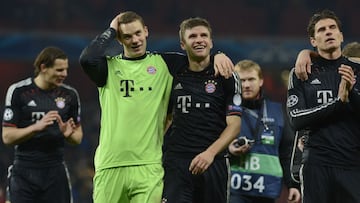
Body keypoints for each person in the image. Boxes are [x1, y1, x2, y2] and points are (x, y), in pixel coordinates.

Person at [79, 11, 234, 203]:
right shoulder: (108, 68)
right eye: (127, 36)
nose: (135, 40)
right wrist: (111, 30)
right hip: (110, 164)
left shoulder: (164, 63)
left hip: (149, 167)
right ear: (119, 39)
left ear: (146, 31)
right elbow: (87, 59)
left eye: (137, 33)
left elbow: (197, 55)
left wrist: (219, 55)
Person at [161, 17, 242, 203]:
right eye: (192, 36)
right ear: (183, 44)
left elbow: (235, 125)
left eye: (204, 35)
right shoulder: (172, 71)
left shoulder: (227, 76)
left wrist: (210, 153)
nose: (199, 40)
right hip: (177, 162)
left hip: (214, 161)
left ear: (211, 42)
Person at [286, 9, 360, 203]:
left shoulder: (357, 71)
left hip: (352, 164)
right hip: (316, 163)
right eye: (322, 30)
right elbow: (296, 119)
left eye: (332, 28)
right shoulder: (302, 72)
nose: (328, 32)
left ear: (341, 36)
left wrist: (350, 93)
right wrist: (338, 103)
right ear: (313, 41)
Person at [2, 46, 83, 203]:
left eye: (66, 70)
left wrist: (69, 135)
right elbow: (7, 137)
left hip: (55, 172)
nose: (64, 74)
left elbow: (78, 137)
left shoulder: (70, 95)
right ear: (43, 67)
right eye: (59, 70)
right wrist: (35, 128)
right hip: (24, 172)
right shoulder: (19, 91)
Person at [227, 59, 300, 203]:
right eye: (242, 80)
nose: (246, 85)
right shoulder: (226, 111)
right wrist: (228, 151)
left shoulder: (278, 111)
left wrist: (293, 185)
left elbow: (287, 152)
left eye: (251, 79)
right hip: (234, 190)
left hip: (267, 190)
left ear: (261, 81)